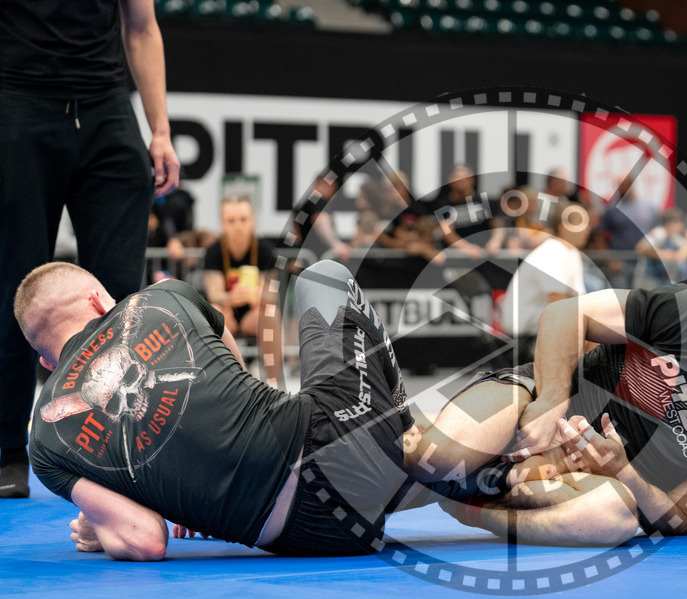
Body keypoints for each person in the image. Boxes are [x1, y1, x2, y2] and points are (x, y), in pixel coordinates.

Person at [15, 261, 634, 559]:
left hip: (312, 538)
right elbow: (231, 373)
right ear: (101, 298)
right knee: (324, 274)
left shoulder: (46, 442)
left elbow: (145, 541)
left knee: (429, 478)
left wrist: (109, 525)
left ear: (46, 364)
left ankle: (519, 480)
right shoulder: (157, 299)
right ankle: (523, 412)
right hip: (331, 433)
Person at [407, 284, 687, 539]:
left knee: (614, 519)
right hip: (540, 399)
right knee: (437, 459)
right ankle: (428, 454)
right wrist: (552, 400)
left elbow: (678, 519)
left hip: (590, 477)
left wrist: (624, 470)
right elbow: (567, 313)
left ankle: (468, 506)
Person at [0, 0, 180, 499]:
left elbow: (141, 26)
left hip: (105, 106)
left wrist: (160, 131)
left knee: (119, 301)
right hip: (18, 98)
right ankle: (8, 452)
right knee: (12, 281)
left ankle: (117, 452)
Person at [202, 196, 282, 387]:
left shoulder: (265, 250)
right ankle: (220, 383)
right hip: (226, 314)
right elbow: (215, 293)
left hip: (252, 314)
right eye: (231, 220)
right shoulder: (214, 251)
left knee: (271, 312)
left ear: (253, 220)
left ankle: (273, 381)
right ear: (222, 223)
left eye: (243, 219)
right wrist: (231, 297)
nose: (238, 226)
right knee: (214, 310)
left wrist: (257, 294)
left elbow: (271, 294)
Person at [500, 202, 592, 361]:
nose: (588, 229)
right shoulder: (552, 252)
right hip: (523, 318)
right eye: (582, 224)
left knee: (594, 323)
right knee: (589, 326)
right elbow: (557, 302)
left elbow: (578, 300)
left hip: (542, 313)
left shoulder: (571, 253)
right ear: (564, 226)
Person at [633, 208, 687, 289]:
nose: (681, 226)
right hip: (647, 278)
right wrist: (664, 254)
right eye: (679, 223)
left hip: (660, 280)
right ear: (671, 223)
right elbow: (640, 247)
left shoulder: (674, 236)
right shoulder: (659, 232)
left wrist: (678, 254)